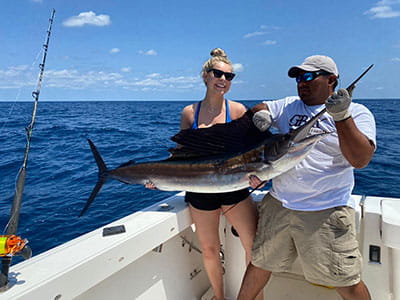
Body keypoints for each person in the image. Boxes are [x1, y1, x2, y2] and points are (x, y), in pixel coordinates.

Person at [237, 55, 376, 300]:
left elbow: (360, 160)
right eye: (299, 78)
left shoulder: (358, 112)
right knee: (259, 263)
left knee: (345, 281)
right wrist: (262, 115)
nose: (302, 82)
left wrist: (341, 116)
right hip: (279, 204)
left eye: (309, 76)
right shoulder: (289, 105)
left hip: (324, 209)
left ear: (332, 80)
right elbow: (260, 107)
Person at [147, 48, 262, 300]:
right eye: (218, 74)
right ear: (206, 76)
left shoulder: (239, 111)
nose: (223, 80)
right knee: (210, 250)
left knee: (253, 247)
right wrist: (159, 176)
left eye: (229, 76)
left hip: (235, 188)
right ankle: (219, 298)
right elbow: (182, 153)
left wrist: (259, 176)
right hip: (201, 191)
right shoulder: (190, 113)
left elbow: (253, 154)